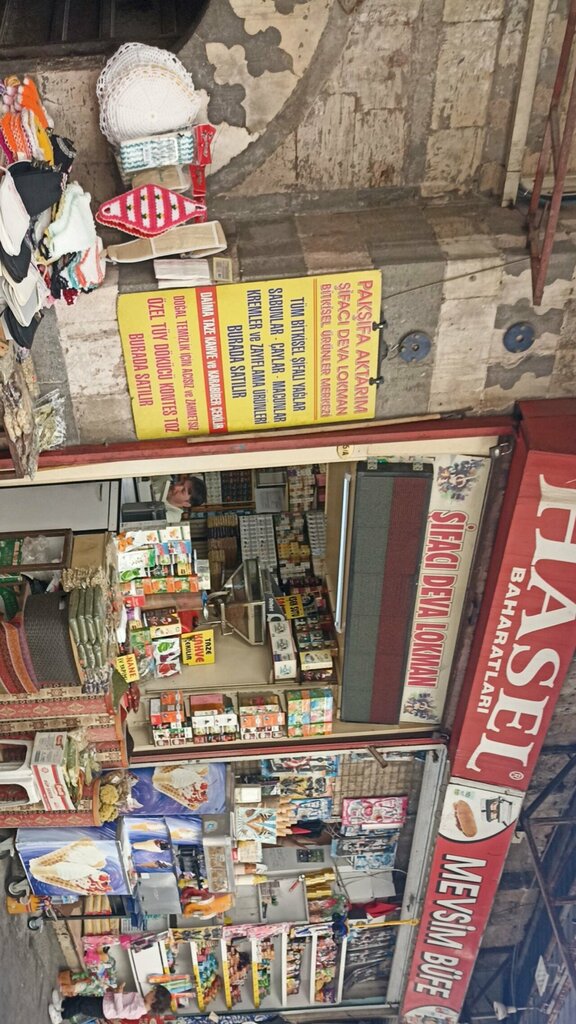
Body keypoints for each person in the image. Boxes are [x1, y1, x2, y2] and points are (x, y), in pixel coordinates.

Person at [49, 982, 171, 1024]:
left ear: (153, 1000)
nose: (149, 991)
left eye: (152, 992)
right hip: (105, 1002)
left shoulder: (139, 1010)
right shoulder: (139, 999)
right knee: (81, 999)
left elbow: (120, 1011)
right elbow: (121, 999)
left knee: (81, 1005)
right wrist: (114, 992)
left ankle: (59, 1017)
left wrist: (118, 994)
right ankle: (61, 1005)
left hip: (105, 1010)